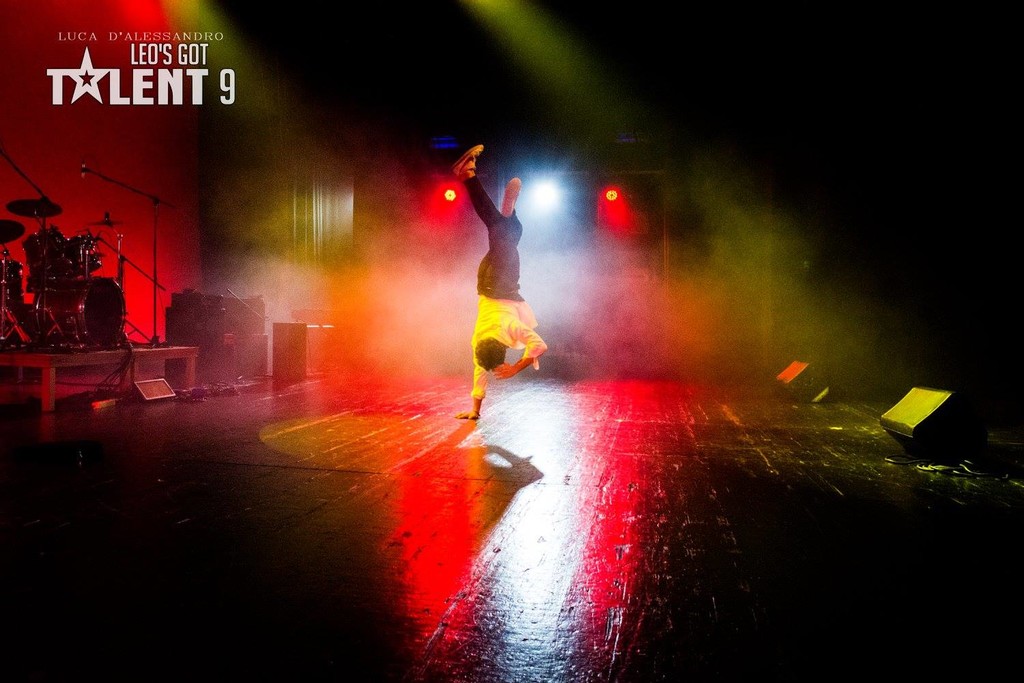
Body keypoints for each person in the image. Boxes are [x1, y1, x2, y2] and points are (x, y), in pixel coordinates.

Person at [452, 144, 547, 420]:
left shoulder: (511, 329)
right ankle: (508, 212)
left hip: (501, 283)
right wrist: (474, 410)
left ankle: (468, 176)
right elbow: (479, 373)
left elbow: (540, 346)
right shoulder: (478, 343)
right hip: (487, 283)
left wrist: (516, 367)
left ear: (503, 348)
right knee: (507, 230)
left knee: (503, 232)